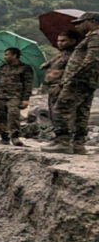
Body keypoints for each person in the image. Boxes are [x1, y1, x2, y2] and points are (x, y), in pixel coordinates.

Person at [43, 12, 99, 154]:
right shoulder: (91, 37)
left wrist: (68, 79)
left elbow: (91, 60)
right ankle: (78, 145)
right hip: (87, 81)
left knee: (61, 109)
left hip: (78, 81)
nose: (77, 26)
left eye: (80, 23)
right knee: (81, 113)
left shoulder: (95, 36)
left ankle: (63, 142)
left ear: (91, 21)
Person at [0, 47, 33, 146]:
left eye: (7, 54)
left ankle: (15, 137)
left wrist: (25, 99)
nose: (5, 57)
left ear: (14, 55)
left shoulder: (25, 68)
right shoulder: (3, 67)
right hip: (1, 96)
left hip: (15, 96)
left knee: (13, 116)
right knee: (0, 117)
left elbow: (28, 85)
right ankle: (4, 138)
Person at [41, 30, 80, 122]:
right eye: (58, 41)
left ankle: (64, 134)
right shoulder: (61, 54)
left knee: (61, 113)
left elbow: (72, 73)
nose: (60, 43)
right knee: (53, 112)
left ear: (73, 41)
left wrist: (61, 85)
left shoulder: (74, 55)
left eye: (63, 41)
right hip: (53, 87)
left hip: (63, 88)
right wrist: (47, 64)